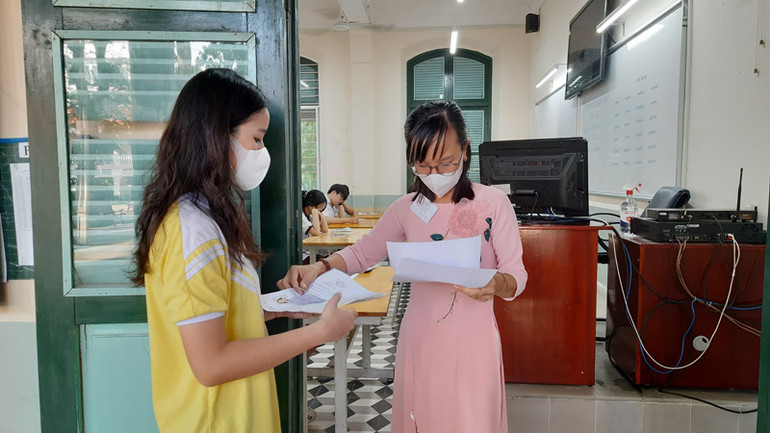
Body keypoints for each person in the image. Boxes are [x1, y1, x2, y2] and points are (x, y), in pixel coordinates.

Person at [278, 100, 527, 433]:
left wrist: (497, 283)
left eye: (446, 163)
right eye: (422, 166)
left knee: (472, 421)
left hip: (474, 341)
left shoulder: (493, 203)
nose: (434, 175)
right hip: (420, 337)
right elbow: (363, 252)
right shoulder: (405, 208)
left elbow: (516, 273)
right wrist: (319, 268)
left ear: (466, 152)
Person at [131, 68, 356, 433]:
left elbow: (215, 314)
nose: (261, 152)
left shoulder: (204, 216)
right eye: (257, 139)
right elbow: (211, 364)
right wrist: (319, 333)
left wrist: (275, 307)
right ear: (217, 137)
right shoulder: (192, 229)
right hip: (216, 420)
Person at [301, 189, 329, 263]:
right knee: (325, 262)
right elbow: (316, 232)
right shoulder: (302, 217)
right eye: (320, 207)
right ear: (311, 206)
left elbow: (325, 229)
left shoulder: (309, 215)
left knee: (329, 260)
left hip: (310, 252)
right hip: (302, 255)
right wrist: (315, 212)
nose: (321, 209)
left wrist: (320, 214)